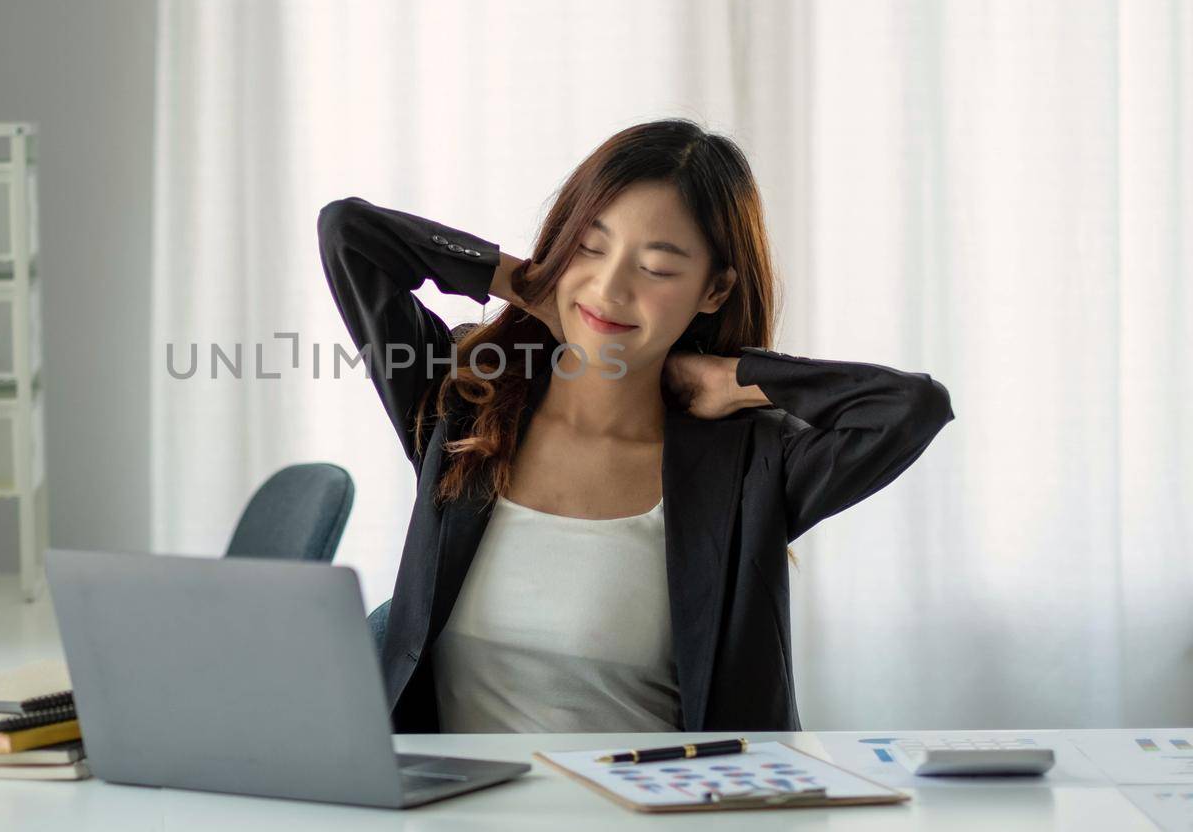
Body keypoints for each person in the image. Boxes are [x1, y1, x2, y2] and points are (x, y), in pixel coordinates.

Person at [316, 118, 954, 734]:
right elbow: (349, 233)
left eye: (657, 267)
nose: (609, 287)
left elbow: (909, 408)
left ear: (714, 290)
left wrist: (736, 378)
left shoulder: (746, 464)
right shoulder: (464, 404)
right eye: (590, 248)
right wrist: (527, 282)